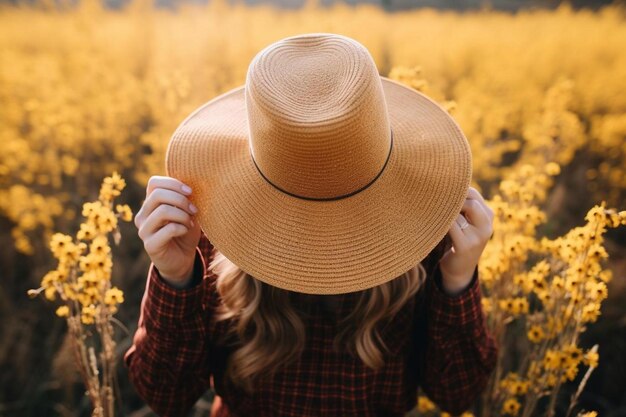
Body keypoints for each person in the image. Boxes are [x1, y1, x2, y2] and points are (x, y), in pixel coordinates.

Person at [124, 32, 498, 417]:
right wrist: (175, 276)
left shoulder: (426, 234)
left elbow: (457, 393)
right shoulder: (212, 229)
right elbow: (166, 396)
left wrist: (456, 280)